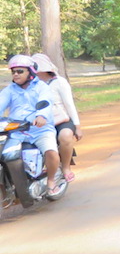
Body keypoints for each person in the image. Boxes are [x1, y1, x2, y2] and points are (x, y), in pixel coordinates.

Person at [0, 55, 61, 195]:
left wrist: (41, 116)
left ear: (31, 72)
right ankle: (13, 186)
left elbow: (46, 101)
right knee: (6, 156)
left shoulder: (42, 87)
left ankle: (51, 181)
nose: (16, 74)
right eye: (13, 72)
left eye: (20, 71)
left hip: (40, 130)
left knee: (51, 152)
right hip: (16, 132)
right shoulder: (9, 90)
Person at [32, 53, 82, 183]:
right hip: (40, 122)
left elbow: (69, 104)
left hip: (61, 120)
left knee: (65, 136)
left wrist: (77, 126)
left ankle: (66, 168)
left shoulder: (59, 82)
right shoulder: (31, 85)